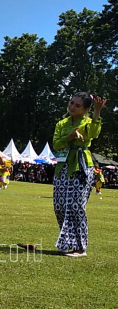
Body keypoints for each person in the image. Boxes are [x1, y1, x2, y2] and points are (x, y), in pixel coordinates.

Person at [52, 93, 106, 257]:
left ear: (85, 109)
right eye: (71, 103)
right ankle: (68, 242)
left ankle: (80, 248)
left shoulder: (89, 122)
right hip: (63, 166)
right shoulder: (62, 123)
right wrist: (70, 136)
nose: (72, 107)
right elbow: (56, 144)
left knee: (76, 206)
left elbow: (94, 134)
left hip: (82, 166)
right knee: (60, 206)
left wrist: (97, 112)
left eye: (77, 105)